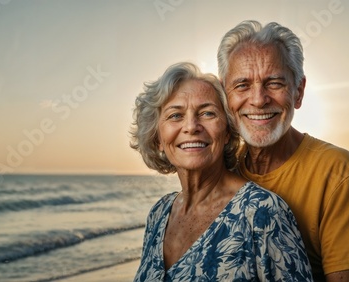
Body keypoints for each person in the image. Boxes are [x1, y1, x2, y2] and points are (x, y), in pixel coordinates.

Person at [217, 20, 349, 281]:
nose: (258, 99)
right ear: (225, 96)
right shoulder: (222, 170)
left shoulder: (336, 170)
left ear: (298, 91)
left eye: (274, 83)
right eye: (242, 85)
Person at [130, 62, 313, 281]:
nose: (191, 127)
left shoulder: (262, 213)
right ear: (158, 138)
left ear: (227, 132)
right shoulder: (159, 214)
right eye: (175, 116)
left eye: (207, 113)